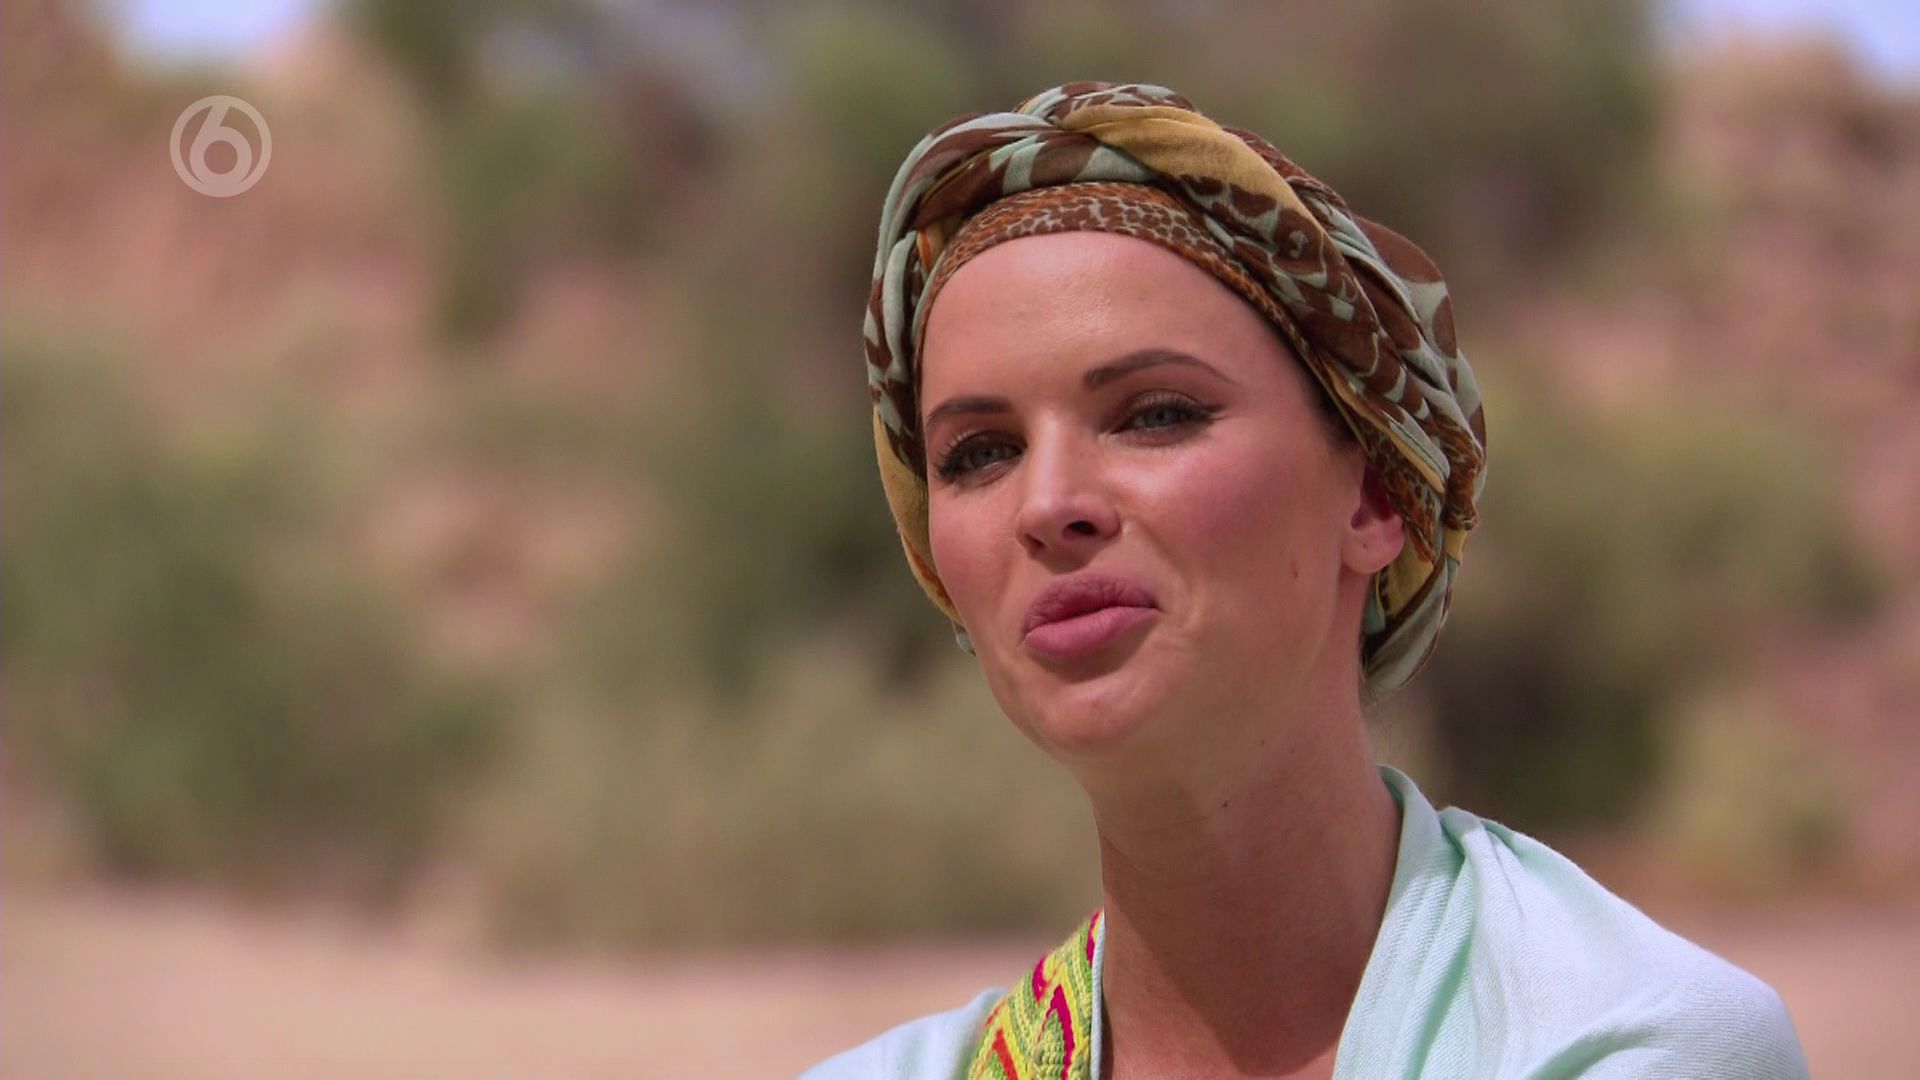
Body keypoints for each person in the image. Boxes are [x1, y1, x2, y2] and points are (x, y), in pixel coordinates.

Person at [802, 82, 1810, 1080]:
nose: (1048, 503)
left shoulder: (1624, 1043)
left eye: (1156, 414)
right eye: (980, 453)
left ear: (1371, 494)